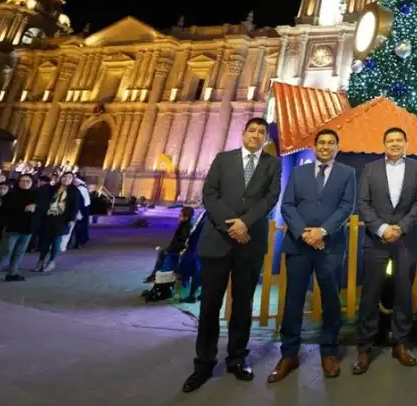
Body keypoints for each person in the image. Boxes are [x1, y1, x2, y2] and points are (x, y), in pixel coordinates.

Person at [183, 117, 281, 394]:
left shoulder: (273, 164)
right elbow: (209, 194)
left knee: (242, 306)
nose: (256, 135)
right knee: (210, 305)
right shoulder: (223, 159)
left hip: (249, 243)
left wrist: (245, 223)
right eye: (252, 130)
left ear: (265, 138)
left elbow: (270, 199)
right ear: (243, 133)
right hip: (218, 241)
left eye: (262, 132)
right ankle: (203, 363)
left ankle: (237, 359)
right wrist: (232, 223)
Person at [268, 128, 356, 383]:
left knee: (331, 301)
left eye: (331, 143)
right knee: (293, 301)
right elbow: (287, 205)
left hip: (330, 247)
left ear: (337, 147)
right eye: (322, 143)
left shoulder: (347, 173)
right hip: (298, 245)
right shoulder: (298, 172)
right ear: (315, 146)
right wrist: (304, 233)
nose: (326, 147)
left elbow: (346, 206)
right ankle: (289, 354)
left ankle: (328, 351)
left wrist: (323, 232)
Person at [351, 127, 417, 375]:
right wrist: (382, 228)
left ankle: (402, 343)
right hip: (376, 240)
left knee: (404, 294)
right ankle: (364, 347)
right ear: (383, 144)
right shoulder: (370, 169)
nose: (394, 144)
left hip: (405, 240)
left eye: (399, 140)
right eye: (390, 140)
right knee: (370, 294)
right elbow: (362, 203)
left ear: (406, 143)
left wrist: (401, 227)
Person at [0, 174, 37, 282]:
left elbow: (41, 207)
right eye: (22, 181)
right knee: (5, 250)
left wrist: (35, 207)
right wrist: (24, 208)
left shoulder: (35, 195)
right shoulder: (11, 194)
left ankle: (12, 273)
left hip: (27, 227)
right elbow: (7, 209)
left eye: (28, 181)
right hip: (12, 227)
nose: (25, 183)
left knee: (19, 251)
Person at [34, 172, 81, 273]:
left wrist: (72, 219)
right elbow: (42, 194)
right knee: (45, 241)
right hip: (49, 217)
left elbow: (75, 206)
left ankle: (52, 262)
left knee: (56, 240)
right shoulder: (53, 188)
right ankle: (41, 261)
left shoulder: (74, 191)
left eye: (69, 178)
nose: (66, 179)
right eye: (64, 177)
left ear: (72, 180)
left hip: (62, 218)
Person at [144, 206, 195, 283]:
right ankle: (154, 275)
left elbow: (181, 241)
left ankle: (155, 276)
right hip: (174, 249)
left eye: (180, 216)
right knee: (161, 254)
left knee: (164, 260)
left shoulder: (185, 226)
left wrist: (169, 249)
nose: (178, 217)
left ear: (186, 217)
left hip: (175, 251)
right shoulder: (185, 225)